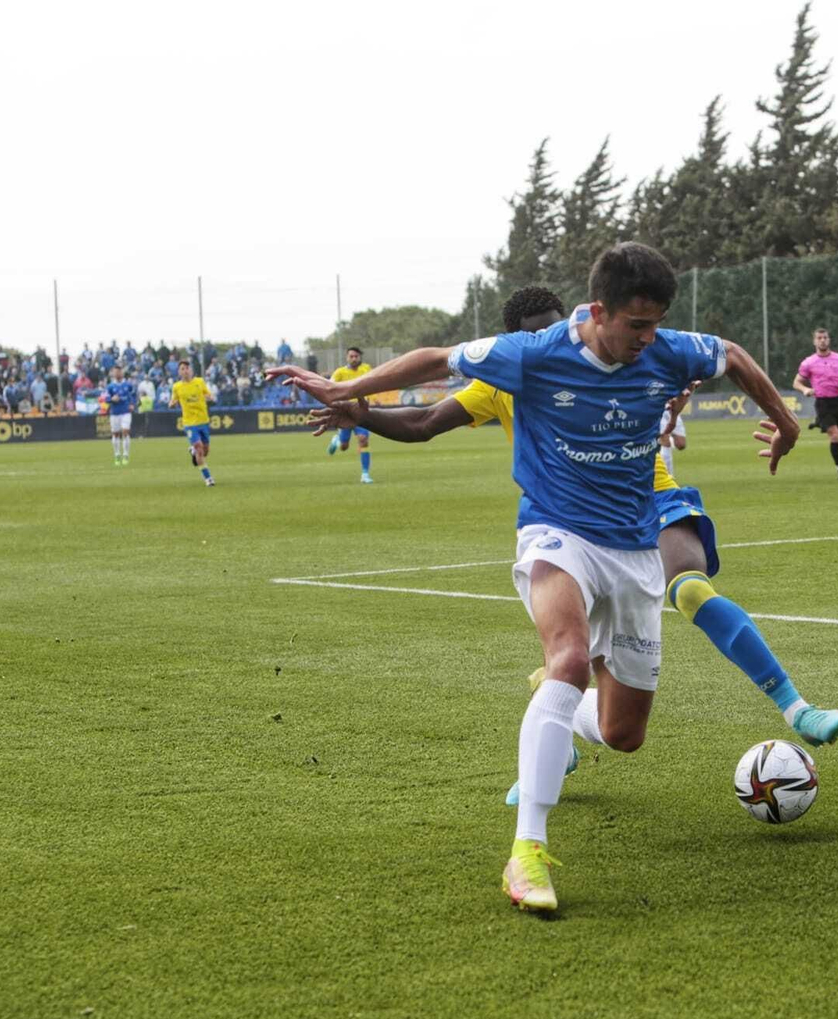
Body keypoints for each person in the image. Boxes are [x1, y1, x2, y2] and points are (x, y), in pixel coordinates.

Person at [268, 243, 803, 914]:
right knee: (570, 657)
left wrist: (785, 422)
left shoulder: (666, 350)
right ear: (599, 311)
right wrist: (350, 393)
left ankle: (566, 715)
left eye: (656, 323)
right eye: (636, 325)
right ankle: (527, 853)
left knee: (622, 735)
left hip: (635, 550)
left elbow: (732, 354)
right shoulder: (533, 354)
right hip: (557, 533)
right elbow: (436, 362)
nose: (647, 338)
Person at [308, 285, 838, 792]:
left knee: (689, 589)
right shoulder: (504, 377)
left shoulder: (618, 347)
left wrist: (703, 411)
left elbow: (715, 361)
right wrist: (365, 413)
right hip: (572, 520)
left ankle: (796, 706)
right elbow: (425, 420)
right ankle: (554, 733)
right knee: (591, 685)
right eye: (537, 334)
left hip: (651, 495)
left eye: (557, 327)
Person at [792, 328, 838, 481]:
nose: (822, 340)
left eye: (825, 337)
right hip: (822, 403)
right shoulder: (809, 362)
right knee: (834, 436)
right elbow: (796, 382)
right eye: (819, 338)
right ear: (814, 341)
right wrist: (805, 389)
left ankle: (820, 423)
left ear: (829, 340)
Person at [326, 346, 374, 482]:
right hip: (345, 412)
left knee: (363, 440)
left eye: (356, 356)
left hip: (361, 411)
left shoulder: (366, 369)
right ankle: (337, 440)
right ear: (347, 358)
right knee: (344, 446)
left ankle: (365, 474)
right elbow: (330, 384)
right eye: (351, 356)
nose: (354, 359)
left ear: (360, 357)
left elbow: (375, 380)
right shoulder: (340, 372)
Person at [171, 359, 216, 486]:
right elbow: (173, 400)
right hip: (189, 423)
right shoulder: (177, 387)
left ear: (191, 370)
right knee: (199, 449)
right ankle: (208, 478)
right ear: (179, 372)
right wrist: (172, 404)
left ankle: (193, 451)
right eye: (182, 369)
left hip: (203, 420)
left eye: (187, 368)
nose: (185, 371)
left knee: (205, 451)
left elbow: (207, 393)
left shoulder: (200, 382)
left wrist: (210, 396)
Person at [104, 365, 137, 466]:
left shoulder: (128, 385)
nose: (118, 373)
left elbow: (134, 395)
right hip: (114, 413)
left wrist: (132, 404)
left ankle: (126, 454)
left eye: (119, 371)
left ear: (122, 373)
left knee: (125, 432)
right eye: (116, 372)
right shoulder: (110, 386)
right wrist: (112, 399)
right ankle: (117, 454)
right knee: (115, 434)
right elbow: (105, 398)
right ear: (113, 373)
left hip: (125, 412)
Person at [657, 402, 687, 478]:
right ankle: (669, 477)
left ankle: (657, 441)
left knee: (681, 444)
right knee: (666, 442)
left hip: (672, 410)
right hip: (658, 409)